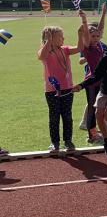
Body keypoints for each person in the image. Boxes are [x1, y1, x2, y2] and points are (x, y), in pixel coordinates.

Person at [38, 15, 86, 153]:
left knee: (67, 116)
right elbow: (42, 56)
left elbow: (79, 48)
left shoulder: (64, 49)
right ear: (51, 38)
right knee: (54, 116)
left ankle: (68, 141)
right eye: (60, 36)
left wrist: (80, 35)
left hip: (67, 88)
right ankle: (55, 143)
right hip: (51, 90)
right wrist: (48, 42)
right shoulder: (45, 51)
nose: (63, 39)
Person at [77, 3, 107, 144]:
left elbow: (100, 29)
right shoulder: (88, 47)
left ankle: (95, 133)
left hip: (102, 81)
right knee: (91, 108)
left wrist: (103, 14)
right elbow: (86, 34)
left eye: (97, 36)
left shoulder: (99, 45)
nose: (96, 38)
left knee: (98, 108)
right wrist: (84, 20)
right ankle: (91, 135)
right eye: (93, 36)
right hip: (92, 82)